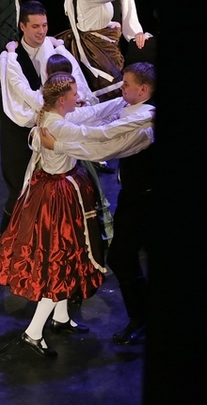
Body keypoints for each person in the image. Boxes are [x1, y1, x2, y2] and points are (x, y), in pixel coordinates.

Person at [0, 72, 153, 358]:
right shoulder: (56, 124)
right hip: (56, 198)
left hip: (60, 190)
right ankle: (33, 332)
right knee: (58, 259)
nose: (79, 99)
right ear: (62, 100)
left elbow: (89, 115)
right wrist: (141, 118)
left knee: (70, 255)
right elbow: (93, 136)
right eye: (74, 95)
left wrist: (124, 106)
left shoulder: (55, 115)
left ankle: (61, 316)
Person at [40, 62, 156, 345]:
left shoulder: (144, 126)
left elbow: (103, 144)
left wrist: (58, 144)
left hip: (144, 198)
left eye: (126, 84)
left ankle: (141, 319)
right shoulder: (132, 104)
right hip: (133, 194)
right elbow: (100, 114)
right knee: (122, 256)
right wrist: (69, 116)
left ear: (143, 90)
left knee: (121, 257)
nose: (121, 87)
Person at [0, 0, 95, 236]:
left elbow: (74, 81)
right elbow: (18, 99)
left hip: (51, 130)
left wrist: (76, 102)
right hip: (20, 130)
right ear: (22, 26)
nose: (41, 31)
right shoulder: (9, 59)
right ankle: (7, 235)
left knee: (47, 189)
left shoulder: (53, 50)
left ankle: (37, 239)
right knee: (19, 186)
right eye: (35, 26)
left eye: (44, 25)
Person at [56, 0, 131, 100]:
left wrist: (109, 24)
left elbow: (89, 16)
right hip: (95, 49)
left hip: (102, 42)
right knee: (109, 89)